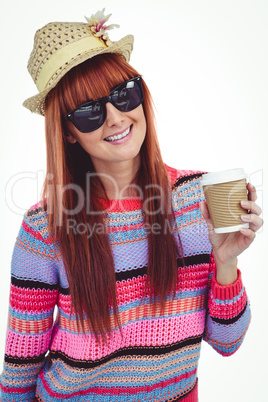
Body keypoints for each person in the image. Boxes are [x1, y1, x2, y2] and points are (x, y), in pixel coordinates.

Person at [0, 9, 263, 402]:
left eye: (124, 93)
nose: (115, 117)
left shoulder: (198, 199)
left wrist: (226, 261)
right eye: (89, 112)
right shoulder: (46, 227)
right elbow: (21, 362)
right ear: (68, 133)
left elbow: (227, 342)